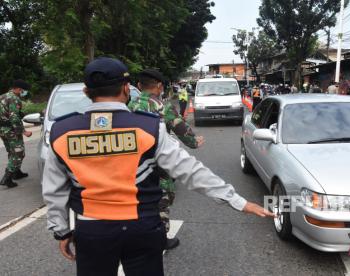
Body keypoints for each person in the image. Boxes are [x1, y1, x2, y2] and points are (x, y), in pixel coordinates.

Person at [42, 57, 274, 276]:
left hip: (92, 232)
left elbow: (53, 190)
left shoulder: (61, 132)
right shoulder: (148, 127)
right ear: (126, 88)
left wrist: (61, 230)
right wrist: (239, 202)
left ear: (86, 92)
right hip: (142, 227)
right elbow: (190, 171)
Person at [128, 68, 204, 250]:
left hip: (132, 164)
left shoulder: (128, 107)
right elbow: (181, 130)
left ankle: (135, 232)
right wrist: (195, 141)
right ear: (160, 86)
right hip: (159, 162)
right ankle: (160, 238)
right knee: (162, 199)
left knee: (136, 197)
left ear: (139, 86)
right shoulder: (164, 107)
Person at [0, 80, 32, 188]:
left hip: (2, 130)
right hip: (11, 130)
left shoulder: (3, 96)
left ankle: (16, 173)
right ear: (19, 89)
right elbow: (14, 118)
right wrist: (24, 131)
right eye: (24, 91)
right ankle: (7, 177)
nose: (25, 93)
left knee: (11, 151)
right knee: (18, 153)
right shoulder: (15, 99)